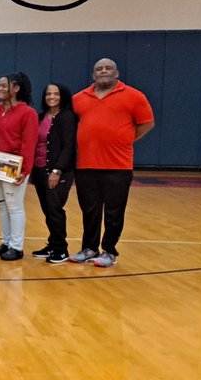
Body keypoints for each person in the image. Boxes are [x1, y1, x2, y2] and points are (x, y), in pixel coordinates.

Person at [70, 58, 155, 267]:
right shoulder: (79, 98)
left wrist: (125, 139)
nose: (104, 71)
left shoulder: (134, 96)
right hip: (86, 165)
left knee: (114, 212)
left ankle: (109, 251)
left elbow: (147, 123)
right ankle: (89, 248)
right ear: (93, 75)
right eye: (99, 69)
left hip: (118, 165)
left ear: (116, 73)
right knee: (90, 210)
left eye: (108, 68)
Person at [0, 72, 39, 261]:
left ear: (16, 88)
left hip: (15, 166)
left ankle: (17, 246)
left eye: (4, 85)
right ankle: (6, 242)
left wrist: (25, 170)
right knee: (1, 205)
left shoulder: (28, 113)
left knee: (14, 206)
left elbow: (29, 143)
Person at [31, 83, 77, 264]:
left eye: (55, 94)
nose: (51, 97)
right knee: (47, 210)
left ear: (63, 96)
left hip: (58, 171)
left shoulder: (67, 117)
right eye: (48, 94)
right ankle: (52, 244)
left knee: (55, 209)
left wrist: (57, 170)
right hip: (40, 169)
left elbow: (68, 146)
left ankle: (61, 249)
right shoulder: (41, 116)